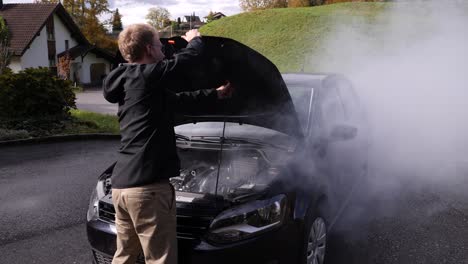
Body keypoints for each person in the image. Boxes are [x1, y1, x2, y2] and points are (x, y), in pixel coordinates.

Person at [103, 24, 232, 264]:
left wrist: (215, 94)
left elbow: (178, 101)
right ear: (149, 49)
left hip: (122, 188)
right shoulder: (146, 75)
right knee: (160, 259)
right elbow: (186, 60)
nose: (164, 48)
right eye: (159, 44)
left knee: (125, 257)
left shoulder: (134, 84)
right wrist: (195, 40)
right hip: (147, 191)